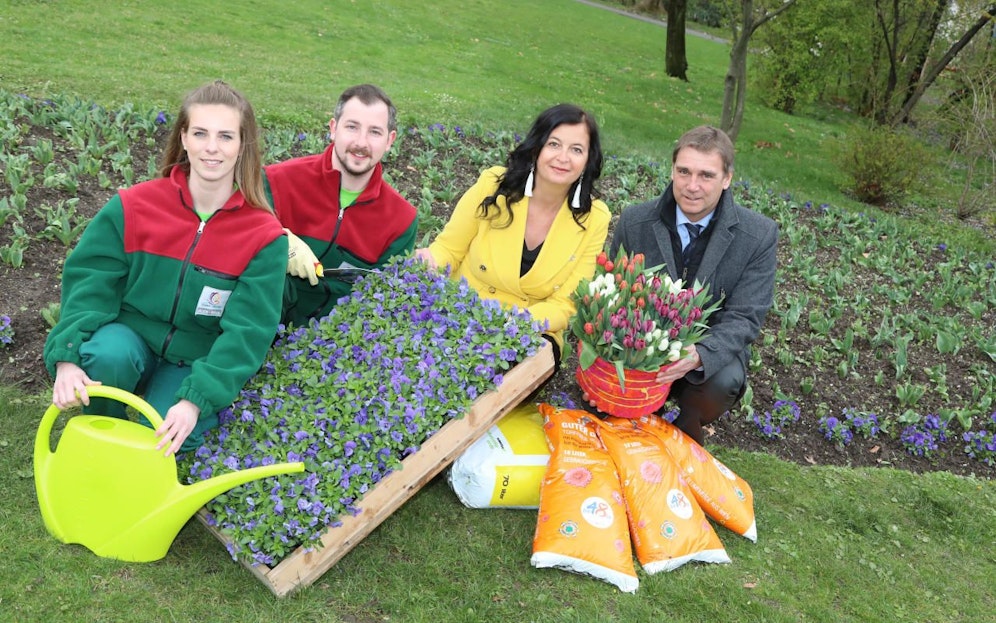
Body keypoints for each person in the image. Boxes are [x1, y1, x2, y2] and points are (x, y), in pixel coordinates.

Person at [44, 80, 288, 457]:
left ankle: (156, 422)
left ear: (243, 146)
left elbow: (248, 333)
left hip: (193, 359)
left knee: (159, 438)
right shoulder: (133, 206)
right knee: (107, 355)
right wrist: (66, 357)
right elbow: (89, 282)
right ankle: (99, 427)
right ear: (184, 138)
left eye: (226, 136)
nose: (211, 147)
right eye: (201, 133)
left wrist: (195, 399)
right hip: (130, 339)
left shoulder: (264, 236)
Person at [609, 125, 778, 445]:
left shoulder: (757, 236)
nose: (692, 186)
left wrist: (699, 353)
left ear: (727, 178)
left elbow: (745, 317)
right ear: (672, 170)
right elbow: (615, 294)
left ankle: (683, 436)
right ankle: (628, 423)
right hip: (641, 345)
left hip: (707, 350)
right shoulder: (636, 221)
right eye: (683, 172)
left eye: (706, 175)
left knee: (720, 382)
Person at [416, 104, 610, 368]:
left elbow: (566, 304)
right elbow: (449, 249)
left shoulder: (594, 218)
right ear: (536, 148)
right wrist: (428, 261)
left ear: (588, 160)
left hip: (530, 330)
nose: (563, 157)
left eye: (576, 149)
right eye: (554, 144)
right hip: (462, 312)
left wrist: (515, 324)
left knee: (501, 383)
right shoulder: (494, 185)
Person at [265, 84, 418, 327]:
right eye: (352, 127)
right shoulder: (277, 181)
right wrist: (275, 237)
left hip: (334, 345)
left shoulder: (401, 220)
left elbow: (381, 301)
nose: (361, 142)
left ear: (390, 140)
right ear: (333, 128)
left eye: (375, 132)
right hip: (260, 325)